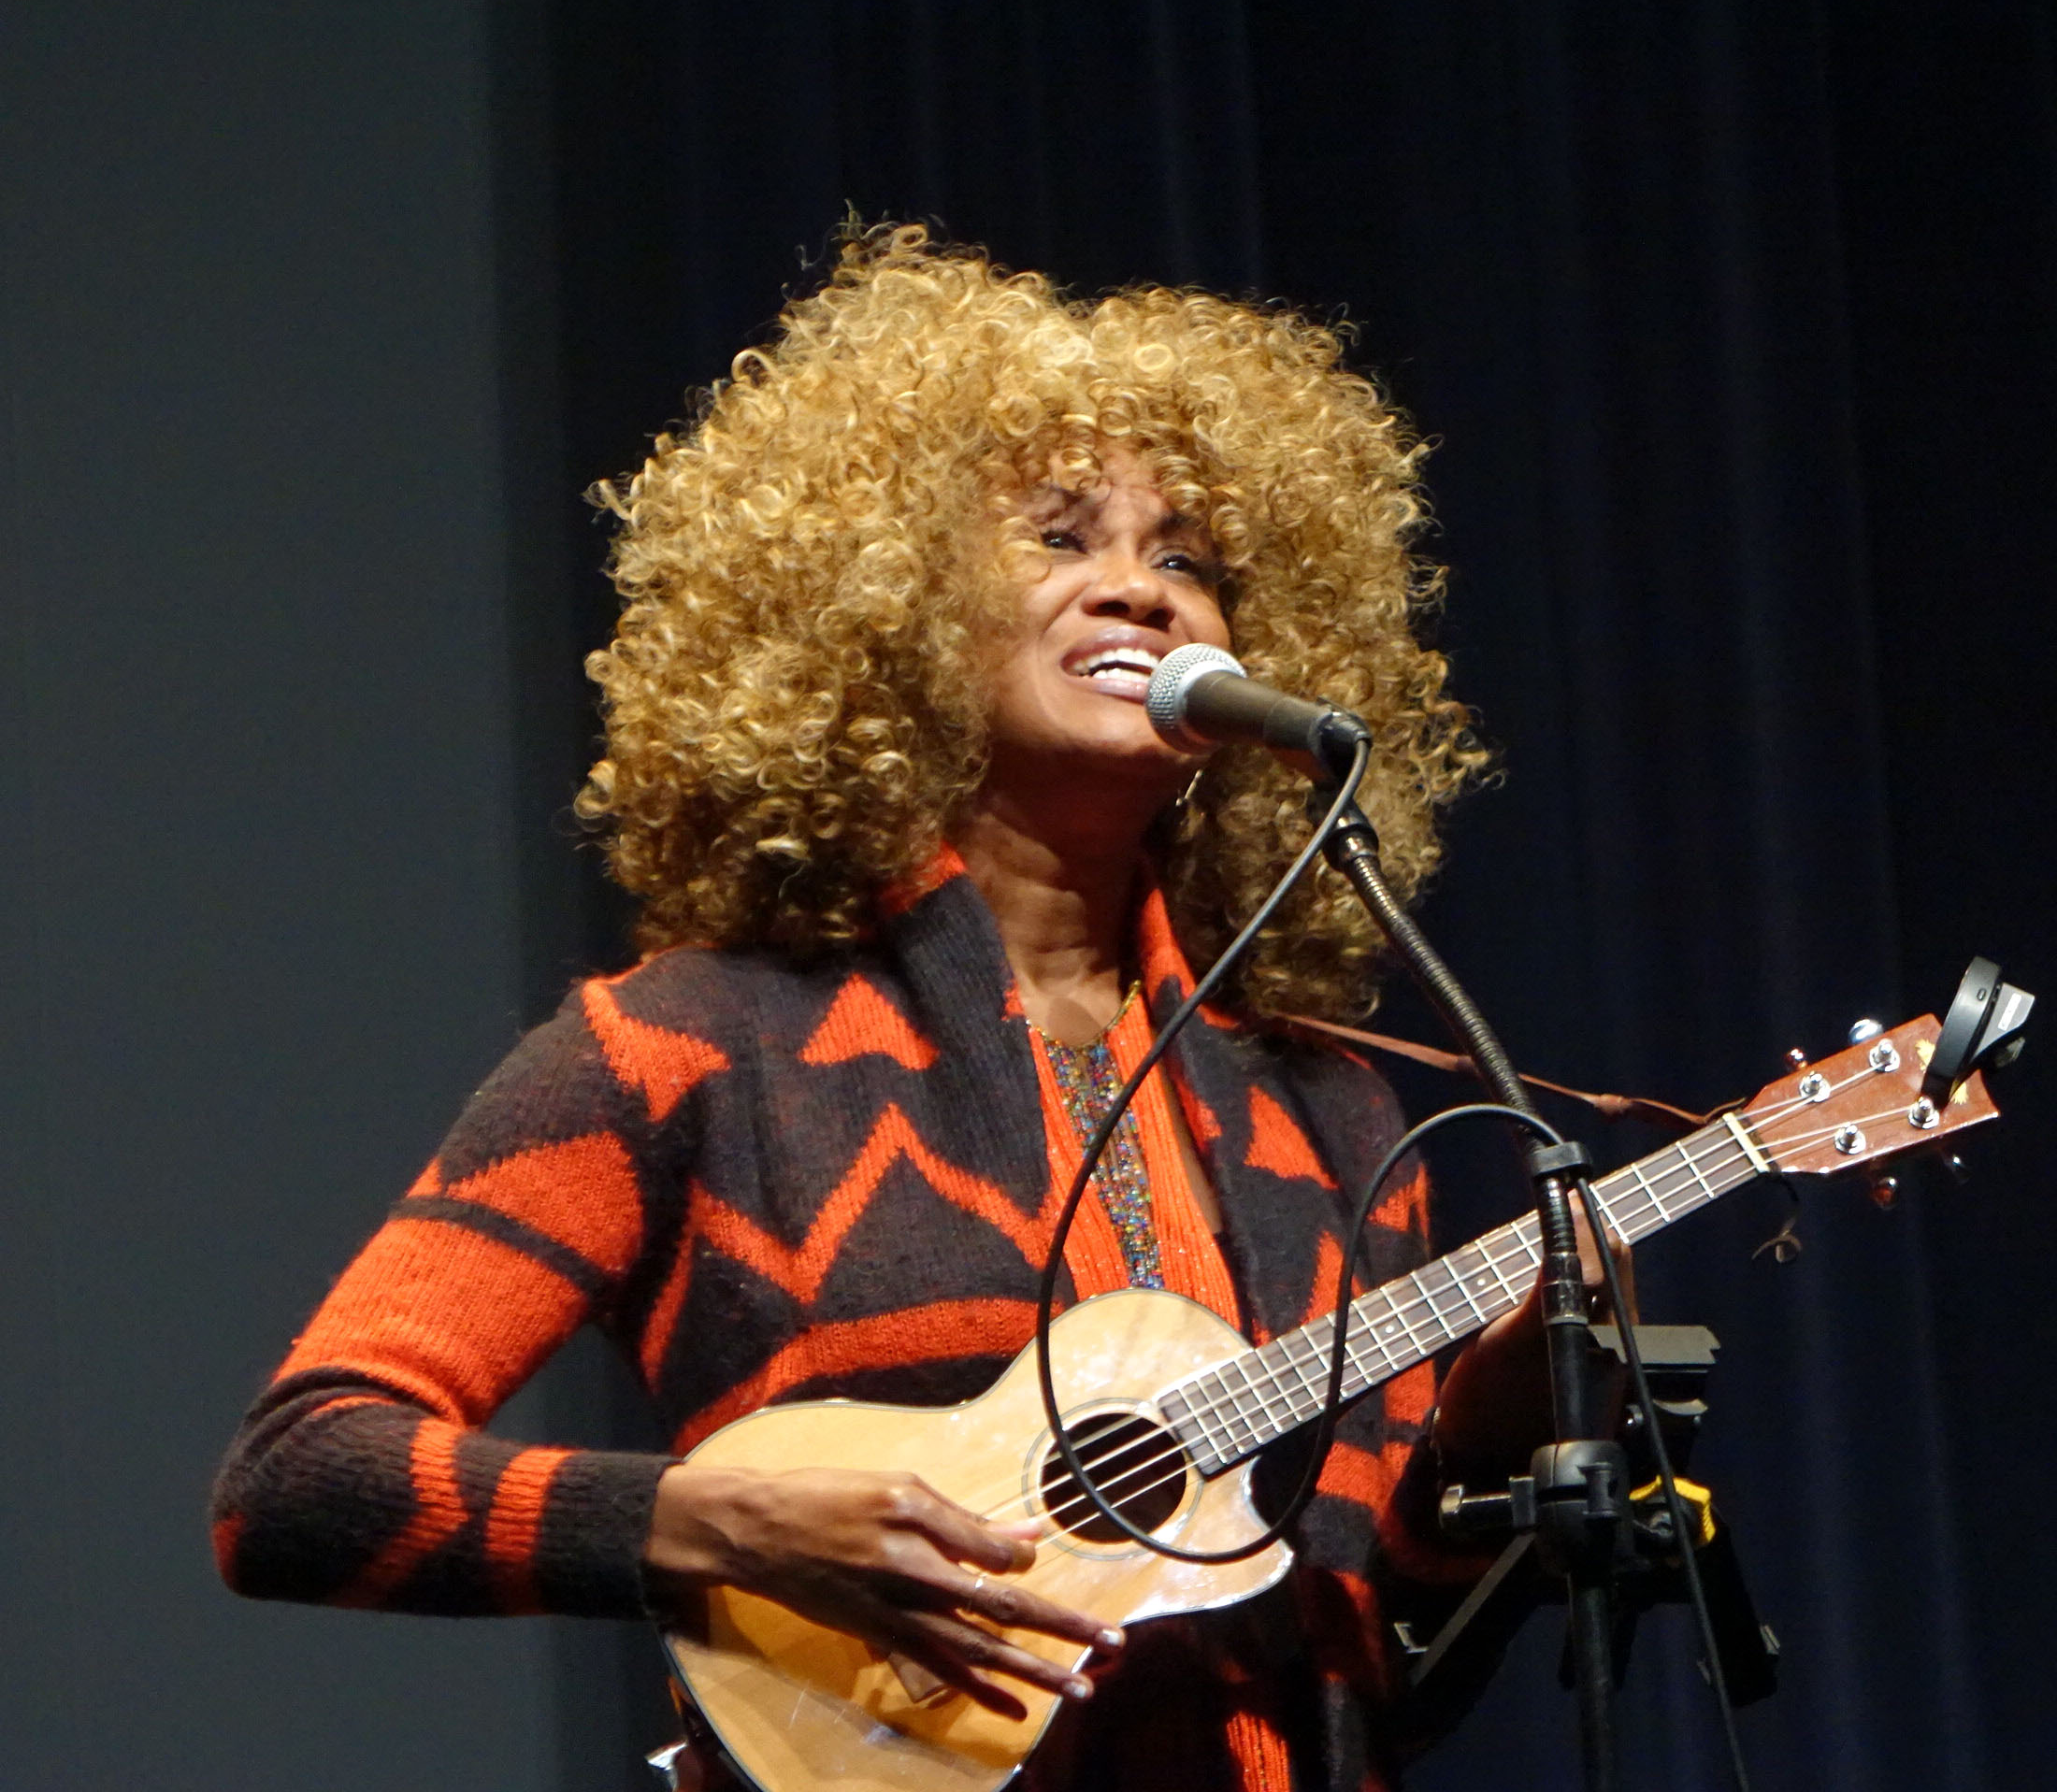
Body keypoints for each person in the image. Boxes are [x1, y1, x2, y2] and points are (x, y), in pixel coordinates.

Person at [212, 225, 1580, 1791]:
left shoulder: (1327, 1114)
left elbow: (1374, 1668)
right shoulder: (693, 1048)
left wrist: (1484, 1443)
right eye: (1058, 538)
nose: (1138, 588)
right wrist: (700, 1523)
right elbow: (297, 1478)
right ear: (895, 610)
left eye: (1190, 558)